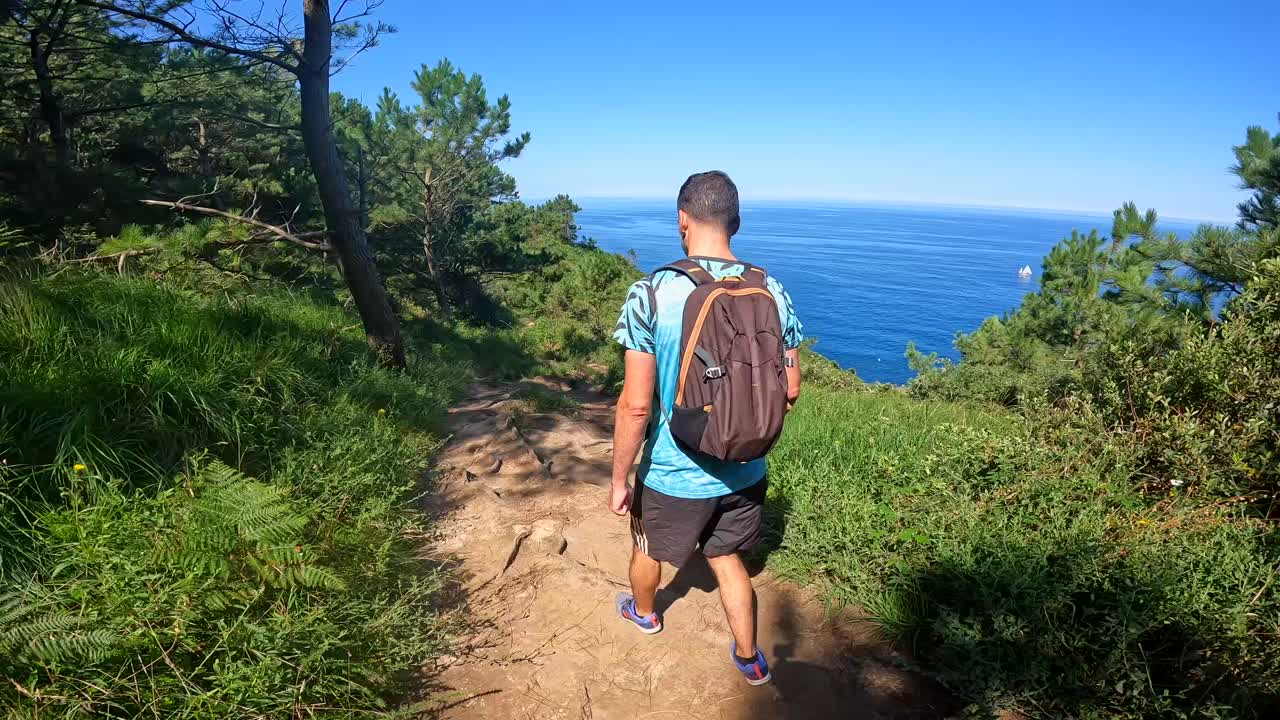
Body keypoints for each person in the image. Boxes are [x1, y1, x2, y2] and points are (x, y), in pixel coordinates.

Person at [608, 170, 803, 686]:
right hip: (746, 467)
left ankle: (645, 613)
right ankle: (749, 658)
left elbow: (634, 405)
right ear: (735, 223)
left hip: (675, 470)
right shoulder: (772, 289)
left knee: (647, 547)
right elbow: (791, 386)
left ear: (682, 220)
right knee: (728, 558)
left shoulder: (652, 292)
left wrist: (619, 478)